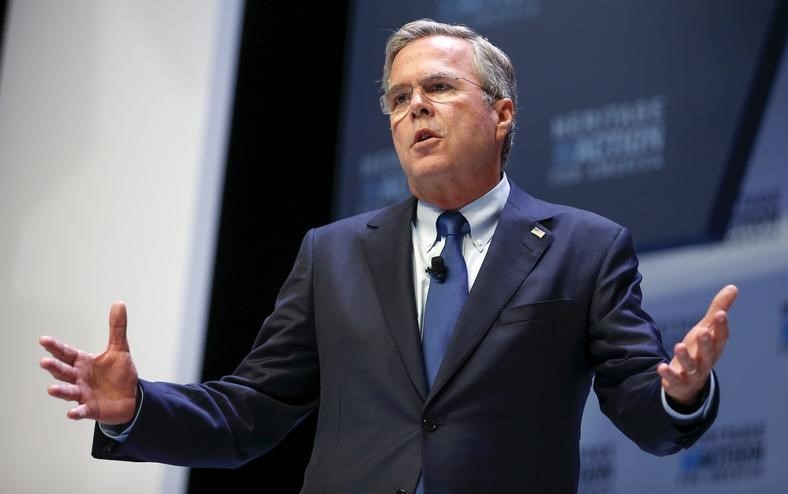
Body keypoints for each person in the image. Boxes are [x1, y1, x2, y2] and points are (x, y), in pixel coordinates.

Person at [39, 18, 738, 493]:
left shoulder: (586, 248)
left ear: (502, 113)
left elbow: (643, 409)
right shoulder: (333, 254)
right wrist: (136, 409)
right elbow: (250, 412)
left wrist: (680, 394)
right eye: (399, 98)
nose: (414, 109)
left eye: (438, 88)